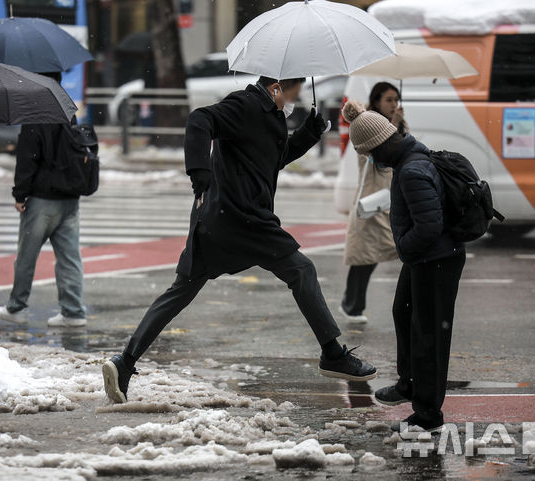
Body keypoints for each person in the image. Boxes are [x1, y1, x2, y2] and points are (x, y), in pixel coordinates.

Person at [102, 76, 378, 404]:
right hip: (242, 217)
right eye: (294, 89)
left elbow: (271, 160)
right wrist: (199, 172)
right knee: (301, 270)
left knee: (182, 289)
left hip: (221, 218)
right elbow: (199, 120)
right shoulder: (244, 105)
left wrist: (309, 132)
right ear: (276, 86)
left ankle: (125, 362)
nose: (297, 96)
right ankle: (332, 353)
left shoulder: (270, 116)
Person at [341, 99, 465, 432]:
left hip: (435, 259)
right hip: (425, 257)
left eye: (370, 153)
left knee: (429, 335)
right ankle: (408, 382)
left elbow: (429, 226)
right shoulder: (408, 158)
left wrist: (404, 248)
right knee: (404, 312)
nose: (372, 160)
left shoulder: (411, 170)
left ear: (380, 146)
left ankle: (427, 414)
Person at [0, 72, 87, 328]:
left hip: (42, 198)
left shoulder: (35, 113)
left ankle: (16, 307)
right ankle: (73, 312)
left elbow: (28, 159)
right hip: (69, 197)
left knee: (26, 256)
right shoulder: (68, 110)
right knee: (69, 258)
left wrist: (19, 194)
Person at [339, 83, 406, 322]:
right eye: (389, 100)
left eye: (396, 99)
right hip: (372, 199)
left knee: (375, 254)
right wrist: (394, 126)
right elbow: (382, 151)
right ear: (376, 101)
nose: (394, 105)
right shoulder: (369, 125)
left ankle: (352, 304)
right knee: (364, 256)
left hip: (388, 198)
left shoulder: (394, 125)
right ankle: (351, 305)